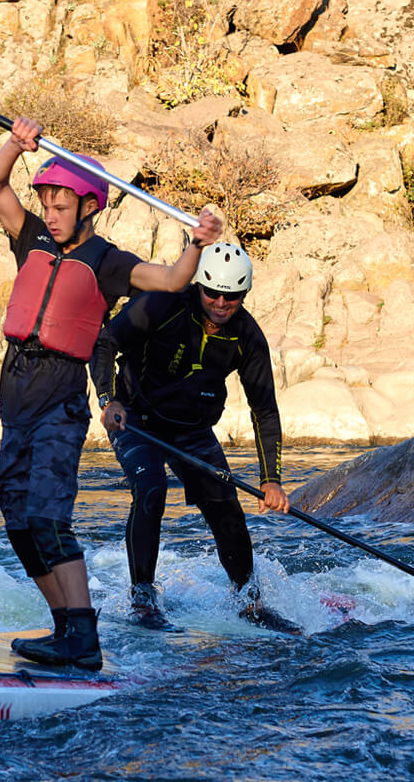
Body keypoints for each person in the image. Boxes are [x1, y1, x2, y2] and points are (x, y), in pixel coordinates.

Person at [0, 116, 222, 671]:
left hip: (59, 403)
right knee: (17, 519)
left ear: (89, 206)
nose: (51, 214)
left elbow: (171, 280)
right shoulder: (32, 237)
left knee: (47, 518)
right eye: (47, 204)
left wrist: (196, 243)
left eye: (62, 206)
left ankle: (83, 638)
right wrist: (15, 145)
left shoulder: (107, 260)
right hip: (15, 397)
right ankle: (66, 629)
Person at [90, 241, 299, 633]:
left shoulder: (247, 337)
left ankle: (249, 602)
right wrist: (108, 399)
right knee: (151, 488)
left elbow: (264, 409)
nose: (221, 303)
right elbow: (106, 343)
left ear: (244, 294)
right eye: (213, 293)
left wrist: (271, 479)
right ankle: (143, 598)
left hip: (192, 429)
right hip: (134, 417)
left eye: (232, 296)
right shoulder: (161, 304)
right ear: (199, 285)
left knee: (226, 507)